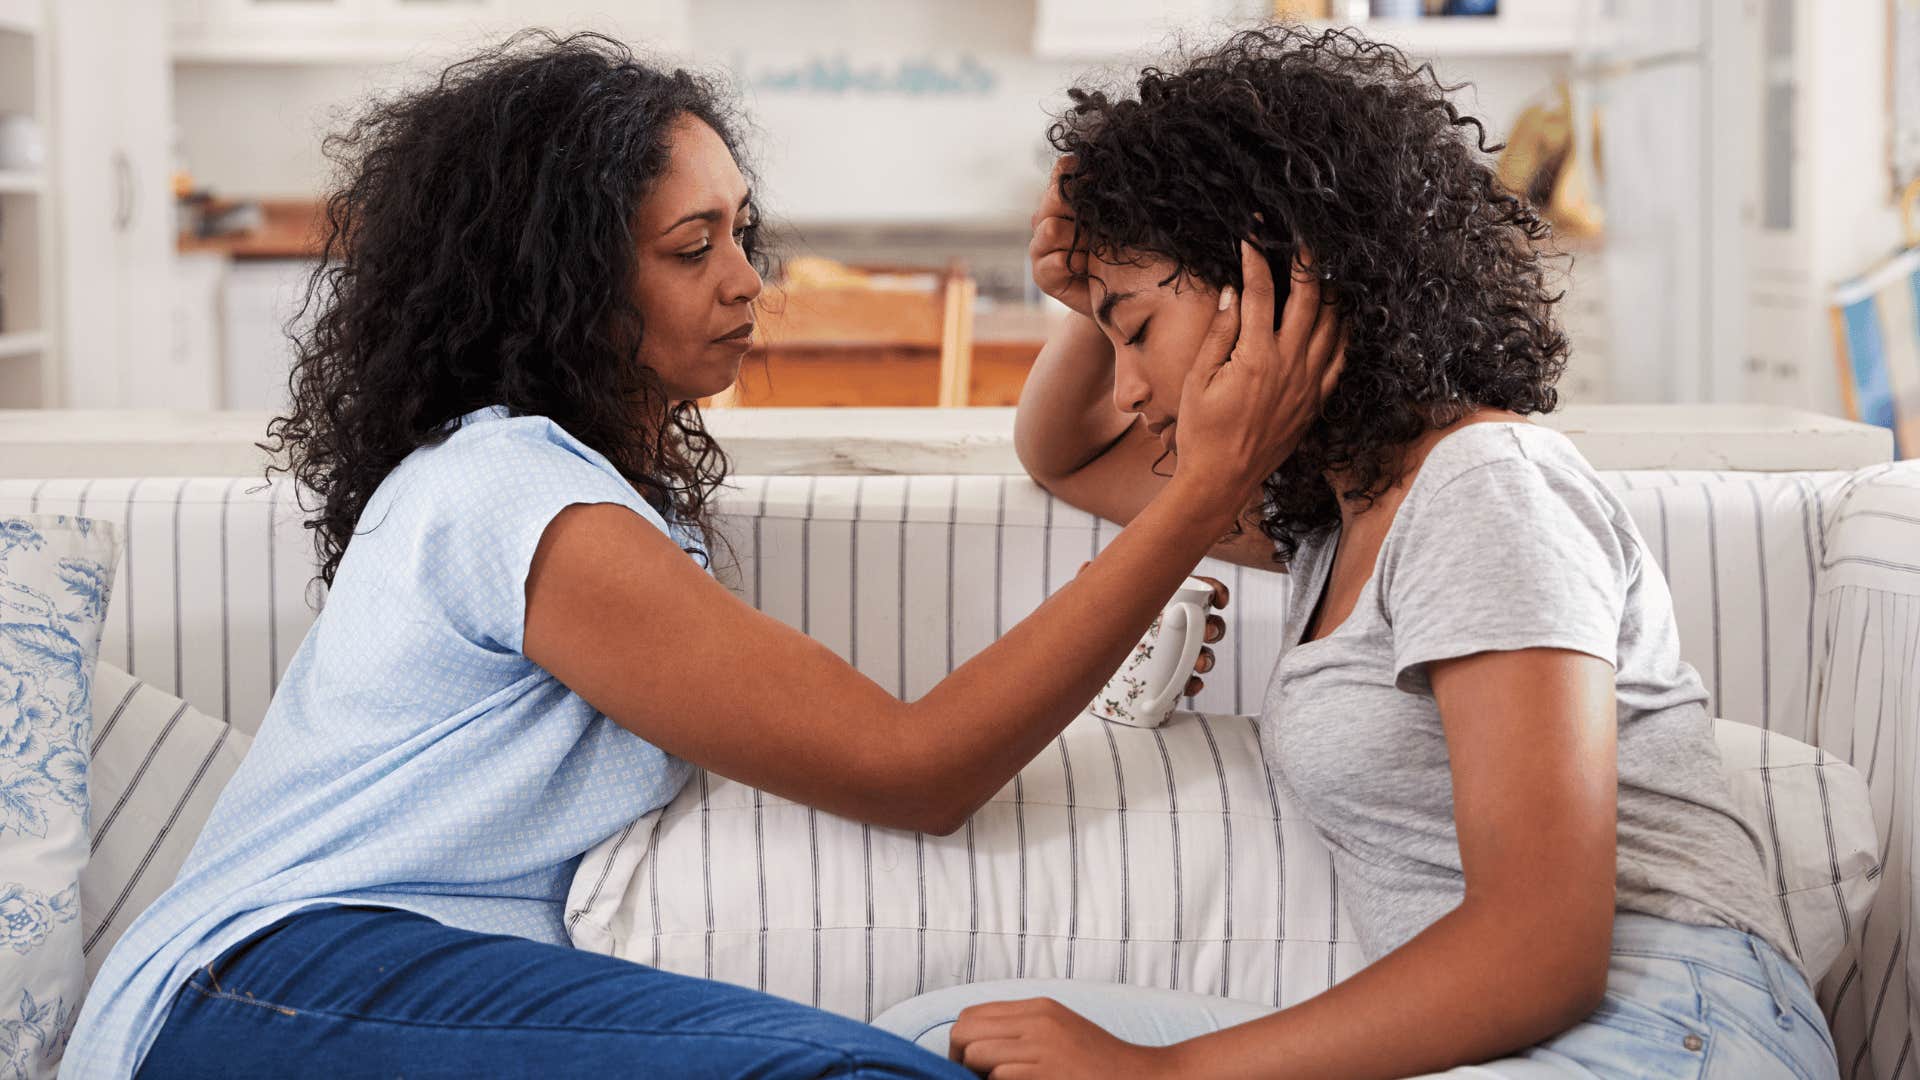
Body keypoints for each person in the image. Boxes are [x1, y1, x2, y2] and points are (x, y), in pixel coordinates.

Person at [62, 31, 1341, 1079]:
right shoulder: (515, 496)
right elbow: (915, 769)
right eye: (692, 249)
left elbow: (1056, 457)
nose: (746, 282)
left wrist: (1083, 313)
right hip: (271, 986)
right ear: (556, 282)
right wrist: (1203, 493)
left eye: (743, 232)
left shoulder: (587, 492)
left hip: (372, 986)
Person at [875, 25, 1840, 1080]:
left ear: (1280, 279)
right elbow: (1062, 455)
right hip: (1539, 1035)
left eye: (1139, 333)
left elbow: (1543, 952)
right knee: (946, 1042)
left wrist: (1166, 1073)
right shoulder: (1335, 522)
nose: (1129, 391)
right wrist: (1097, 297)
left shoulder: (1486, 488)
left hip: (1665, 1027)